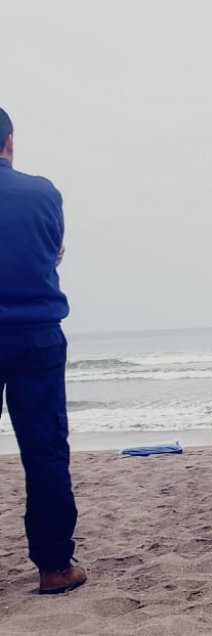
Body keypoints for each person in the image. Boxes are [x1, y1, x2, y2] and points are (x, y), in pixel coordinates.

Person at [0, 106, 87, 594]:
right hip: (36, 332)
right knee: (46, 451)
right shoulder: (42, 191)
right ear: (10, 141)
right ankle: (54, 567)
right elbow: (53, 250)